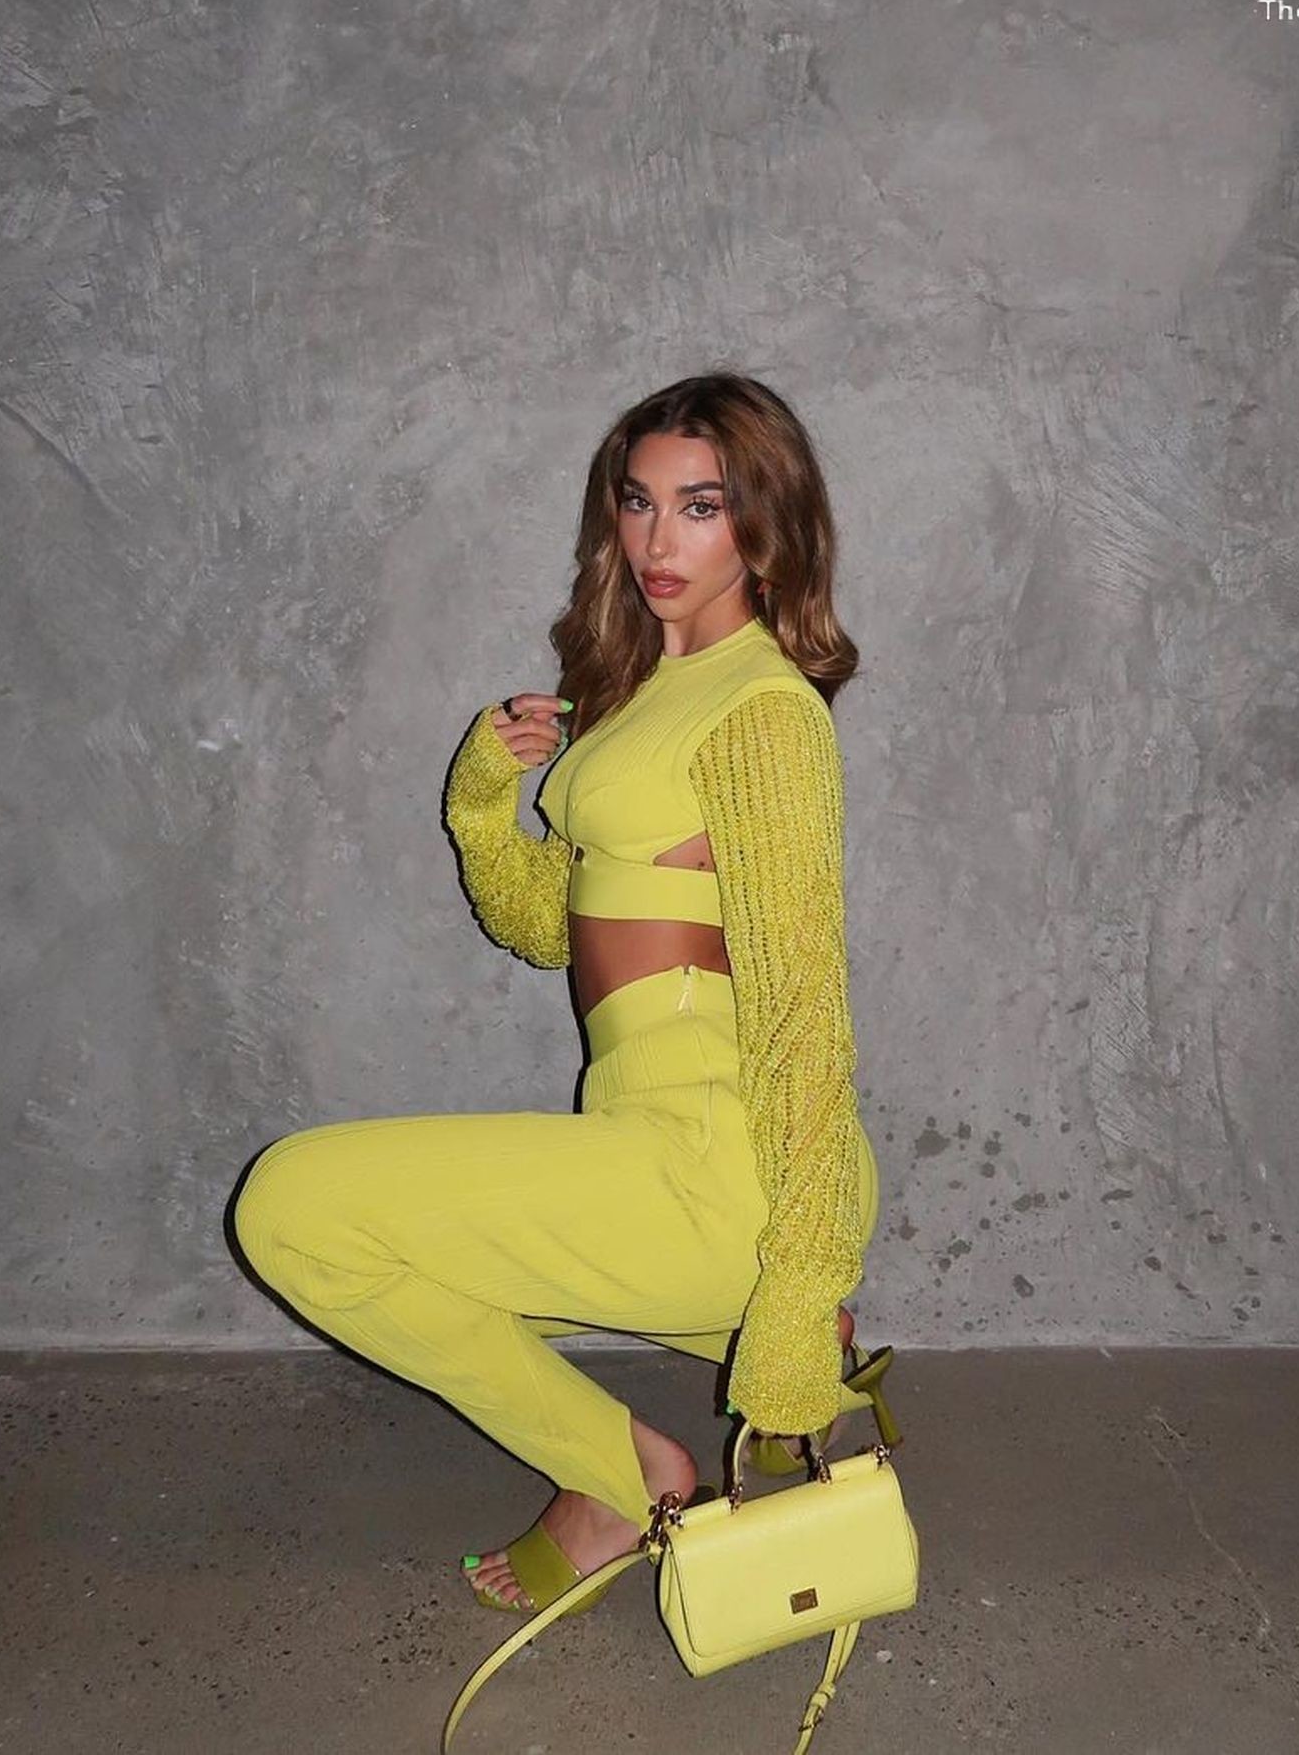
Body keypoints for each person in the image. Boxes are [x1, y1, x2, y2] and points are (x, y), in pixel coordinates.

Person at [233, 370, 897, 1617]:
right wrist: (484, 804)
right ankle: (737, 1338)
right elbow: (552, 928)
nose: (657, 541)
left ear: (765, 524)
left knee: (293, 1211)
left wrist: (801, 1279)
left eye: (700, 506)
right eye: (637, 502)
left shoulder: (762, 713)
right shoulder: (645, 690)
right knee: (397, 1237)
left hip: (725, 1168)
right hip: (648, 1134)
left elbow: (804, 1010)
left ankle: (623, 1468)